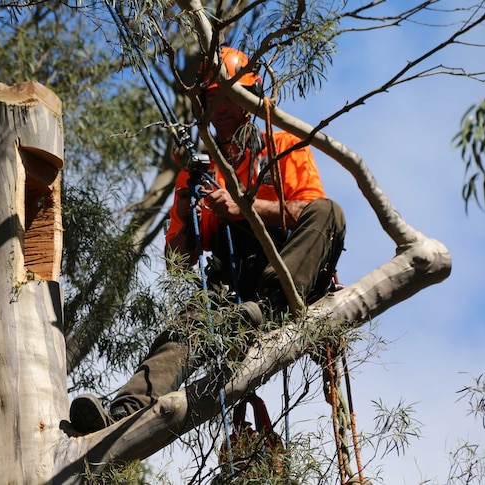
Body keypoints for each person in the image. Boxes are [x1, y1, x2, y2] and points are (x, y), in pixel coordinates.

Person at [69, 46, 346, 434]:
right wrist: (184, 211)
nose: (222, 108)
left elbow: (311, 214)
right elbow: (178, 264)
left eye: (231, 96)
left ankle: (266, 308)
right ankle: (122, 414)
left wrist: (244, 207)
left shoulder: (283, 146)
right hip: (232, 286)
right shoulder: (200, 172)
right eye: (212, 98)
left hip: (286, 273)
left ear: (251, 99)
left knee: (330, 211)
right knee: (183, 331)